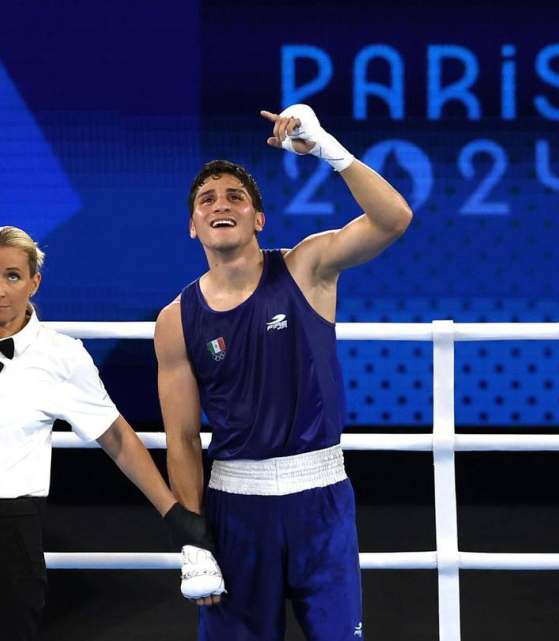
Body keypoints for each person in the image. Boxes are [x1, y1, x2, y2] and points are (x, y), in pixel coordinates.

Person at [0, 224, 219, 641]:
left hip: (7, 535)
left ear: (34, 282)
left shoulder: (62, 356)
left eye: (12, 276)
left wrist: (173, 514)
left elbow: (116, 438)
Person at [154, 104, 414, 640]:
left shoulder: (306, 267)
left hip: (320, 501)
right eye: (207, 200)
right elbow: (180, 439)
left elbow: (394, 219)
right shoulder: (176, 320)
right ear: (192, 225)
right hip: (234, 510)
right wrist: (193, 539)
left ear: (258, 218)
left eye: (235, 197)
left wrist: (327, 149)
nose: (220, 204)